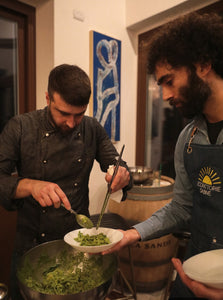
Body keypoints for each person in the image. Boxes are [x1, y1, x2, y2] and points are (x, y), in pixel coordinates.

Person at [103, 12, 223, 299]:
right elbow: (182, 209)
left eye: (169, 80)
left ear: (204, 64)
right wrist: (132, 234)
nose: (165, 95)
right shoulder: (188, 138)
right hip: (195, 269)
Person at [0, 64, 132, 299]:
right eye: (64, 113)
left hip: (78, 242)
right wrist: (30, 185)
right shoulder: (20, 127)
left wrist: (121, 174)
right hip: (31, 243)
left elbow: (116, 162)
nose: (72, 123)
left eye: (79, 114)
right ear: (48, 97)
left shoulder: (92, 128)